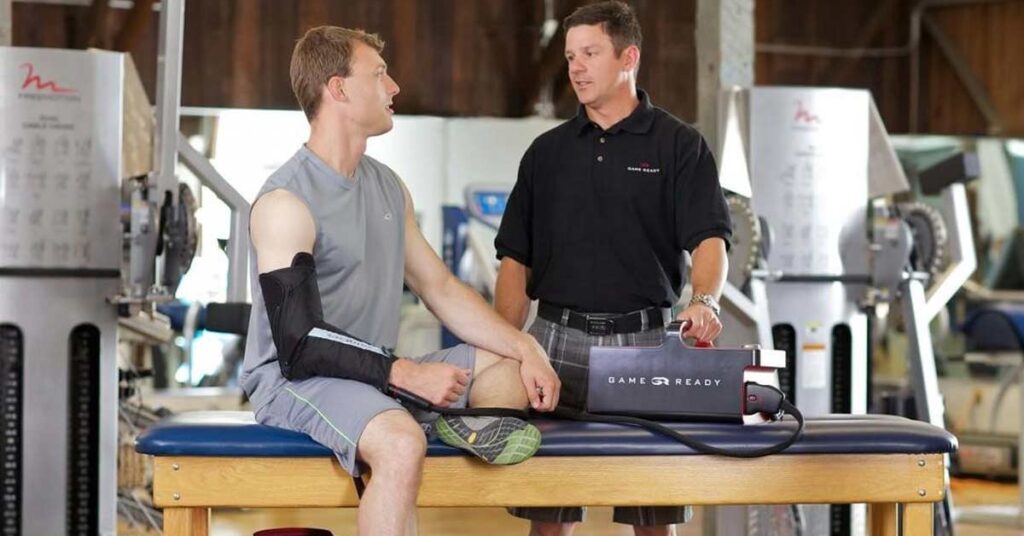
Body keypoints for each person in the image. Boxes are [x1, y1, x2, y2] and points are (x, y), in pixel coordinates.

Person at [240, 26, 561, 536]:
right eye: (381, 74)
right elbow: (298, 343)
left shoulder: (388, 187)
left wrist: (527, 347)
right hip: (296, 381)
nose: (395, 89)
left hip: (373, 372)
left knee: (507, 366)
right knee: (400, 442)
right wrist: (404, 373)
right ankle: (421, 421)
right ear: (339, 89)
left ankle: (459, 423)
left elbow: (442, 290)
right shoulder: (285, 202)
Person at [494, 2, 732, 535]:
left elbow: (710, 239)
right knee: (548, 514)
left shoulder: (680, 146)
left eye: (590, 53)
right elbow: (515, 262)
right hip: (552, 345)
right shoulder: (545, 155)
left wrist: (704, 300)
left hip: (646, 343)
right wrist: (504, 347)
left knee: (654, 516)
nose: (576, 67)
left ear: (629, 57)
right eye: (571, 56)